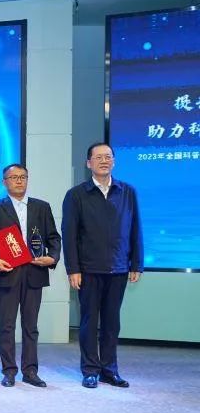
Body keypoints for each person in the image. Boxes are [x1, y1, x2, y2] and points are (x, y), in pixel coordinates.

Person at [62, 142, 143, 389]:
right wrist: (73, 268)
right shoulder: (76, 195)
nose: (104, 161)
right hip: (88, 270)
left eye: (108, 157)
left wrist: (136, 263)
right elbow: (69, 234)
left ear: (114, 161)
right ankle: (90, 370)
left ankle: (110, 370)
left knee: (111, 322)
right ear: (89, 163)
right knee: (89, 322)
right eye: (98, 157)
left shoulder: (127, 192)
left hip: (118, 268)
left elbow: (135, 229)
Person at [0, 164, 61, 388]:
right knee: (7, 325)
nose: (18, 181)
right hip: (7, 273)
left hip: (35, 271)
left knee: (31, 326)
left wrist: (52, 257)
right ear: (4, 182)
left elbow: (54, 238)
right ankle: (9, 370)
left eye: (22, 177)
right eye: (13, 177)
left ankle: (30, 371)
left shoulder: (42, 207)